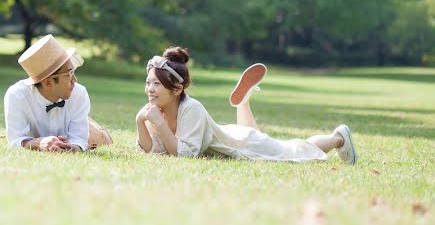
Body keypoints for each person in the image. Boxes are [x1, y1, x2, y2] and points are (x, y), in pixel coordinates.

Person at [135, 46, 357, 163]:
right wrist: (140, 122)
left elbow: (184, 155)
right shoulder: (156, 111)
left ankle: (339, 137)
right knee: (253, 135)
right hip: (231, 136)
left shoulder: (192, 109)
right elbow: (153, 150)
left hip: (245, 145)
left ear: (177, 89)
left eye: (157, 84)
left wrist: (161, 127)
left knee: (295, 150)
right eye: (148, 83)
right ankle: (244, 102)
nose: (150, 89)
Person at [4, 34, 113, 151]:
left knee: (104, 141)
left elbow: (80, 139)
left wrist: (72, 147)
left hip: (86, 131)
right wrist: (38, 143)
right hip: (41, 138)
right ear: (48, 82)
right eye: (68, 74)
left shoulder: (79, 93)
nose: (74, 80)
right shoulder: (17, 95)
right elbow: (15, 139)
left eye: (73, 72)